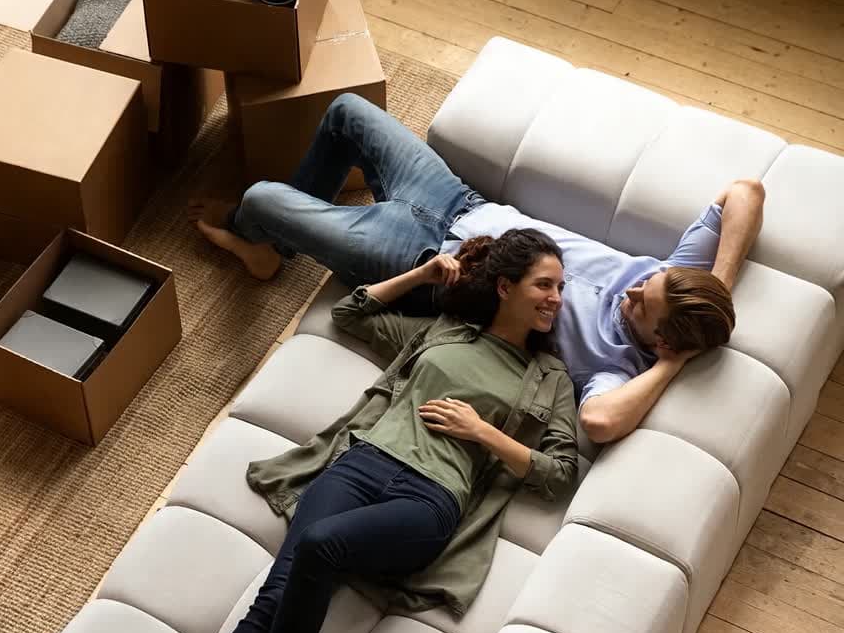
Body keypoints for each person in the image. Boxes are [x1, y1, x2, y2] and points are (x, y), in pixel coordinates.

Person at [193, 94, 764, 444]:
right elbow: (746, 191)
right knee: (345, 112)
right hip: (462, 204)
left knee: (262, 199)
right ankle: (280, 241)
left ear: (660, 341)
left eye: (644, 304)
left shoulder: (615, 369)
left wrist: (668, 366)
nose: (635, 288)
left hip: (427, 263)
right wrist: (720, 283)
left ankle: (263, 246)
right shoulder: (675, 279)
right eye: (649, 281)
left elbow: (602, 424)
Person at [200, 229, 579, 633]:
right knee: (274, 595)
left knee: (320, 545)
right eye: (544, 285)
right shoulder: (444, 332)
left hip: (430, 499)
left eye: (560, 287)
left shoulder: (551, 377)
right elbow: (351, 313)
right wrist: (421, 274)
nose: (556, 298)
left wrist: (482, 432)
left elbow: (560, 473)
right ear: (505, 287)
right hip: (362, 464)